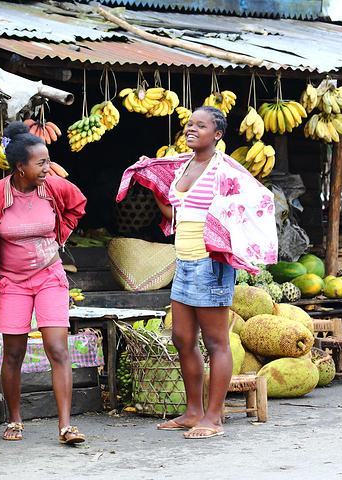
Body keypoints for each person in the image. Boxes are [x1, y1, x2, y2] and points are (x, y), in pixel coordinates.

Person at [116, 106, 278, 439]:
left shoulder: (225, 170)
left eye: (200, 126)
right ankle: (193, 412)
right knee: (183, 339)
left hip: (211, 263)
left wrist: (227, 229)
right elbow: (177, 210)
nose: (192, 129)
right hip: (185, 261)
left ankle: (214, 418)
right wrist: (150, 180)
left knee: (216, 343)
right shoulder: (183, 166)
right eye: (190, 124)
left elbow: (259, 200)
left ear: (216, 134)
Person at [0, 122, 87, 444]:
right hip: (12, 282)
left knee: (57, 348)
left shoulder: (55, 188)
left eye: (47, 161)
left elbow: (77, 205)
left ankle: (65, 426)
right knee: (12, 353)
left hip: (50, 276)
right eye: (40, 163)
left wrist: (60, 234)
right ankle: (15, 419)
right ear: (20, 167)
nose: (48, 168)